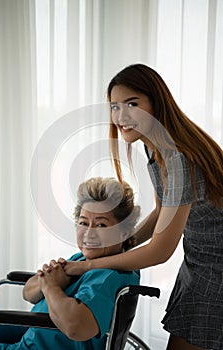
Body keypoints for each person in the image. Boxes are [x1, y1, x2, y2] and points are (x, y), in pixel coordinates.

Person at [61, 64, 223, 350]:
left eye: (132, 104)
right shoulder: (154, 146)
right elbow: (162, 211)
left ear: (156, 104)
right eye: (114, 106)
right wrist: (123, 242)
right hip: (198, 262)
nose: (121, 116)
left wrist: (88, 265)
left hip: (216, 270)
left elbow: (160, 251)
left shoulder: (179, 160)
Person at [0, 177, 140, 350]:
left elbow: (76, 328)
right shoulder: (81, 260)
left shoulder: (109, 276)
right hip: (28, 336)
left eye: (101, 224)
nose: (89, 233)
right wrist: (48, 282)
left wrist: (51, 287)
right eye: (83, 223)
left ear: (124, 233)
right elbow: (28, 293)